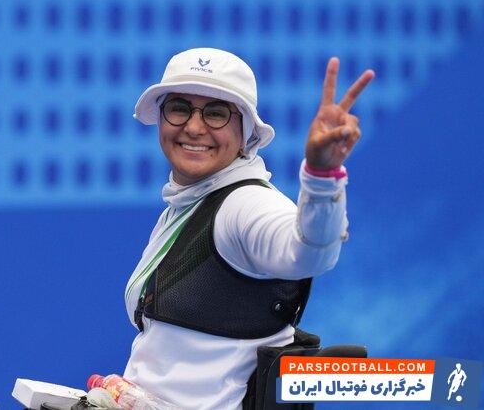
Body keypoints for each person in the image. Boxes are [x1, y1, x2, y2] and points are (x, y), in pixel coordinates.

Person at [123, 47, 374, 409]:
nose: (193, 127)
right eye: (179, 108)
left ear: (246, 133)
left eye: (216, 113)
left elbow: (308, 253)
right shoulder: (189, 204)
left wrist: (322, 177)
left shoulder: (243, 206)